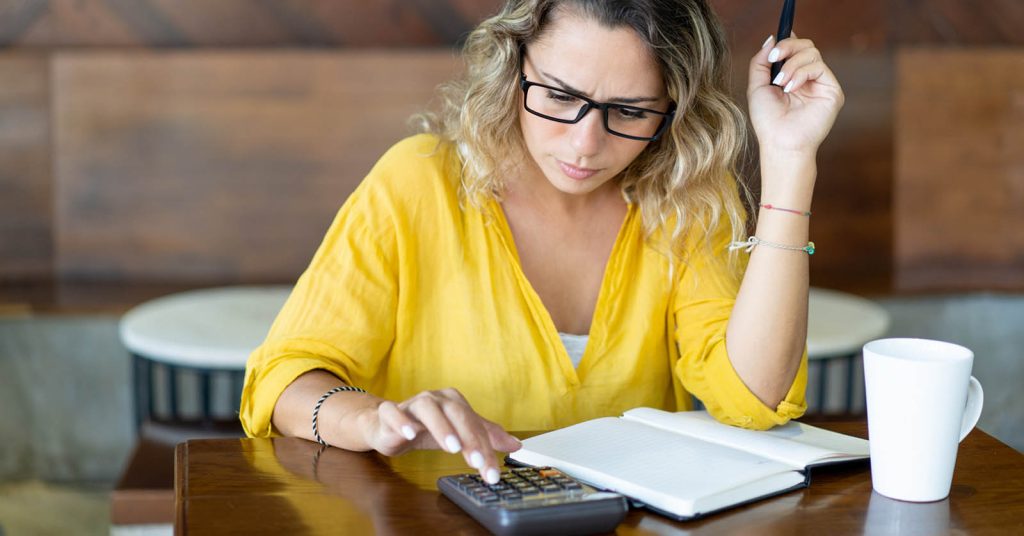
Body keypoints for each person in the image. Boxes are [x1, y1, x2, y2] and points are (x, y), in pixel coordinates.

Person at [241, 0, 844, 486]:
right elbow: (285, 383)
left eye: (630, 111)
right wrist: (375, 420)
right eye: (559, 97)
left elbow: (755, 400)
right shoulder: (416, 182)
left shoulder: (687, 201)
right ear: (513, 65)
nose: (585, 145)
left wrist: (790, 161)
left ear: (675, 110)